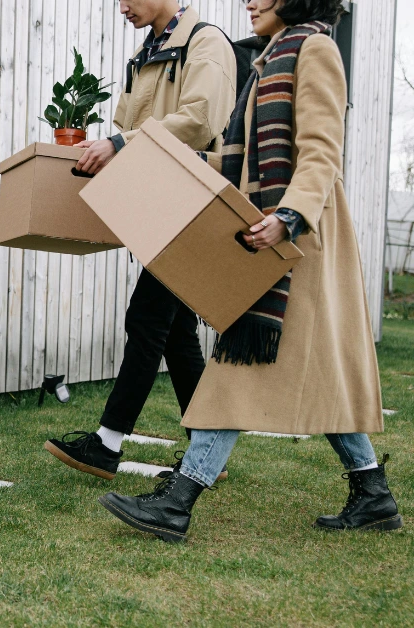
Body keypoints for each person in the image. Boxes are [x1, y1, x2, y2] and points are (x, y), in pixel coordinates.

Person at [98, 0, 402, 543]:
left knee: (240, 358)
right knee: (318, 367)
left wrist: (289, 216)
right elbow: (238, 161)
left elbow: (320, 153)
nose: (249, 1)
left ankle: (180, 498)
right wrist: (166, 170)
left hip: (296, 242)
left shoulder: (316, 49)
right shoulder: (269, 58)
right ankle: (373, 491)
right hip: (273, 233)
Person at [45, 0, 238, 480]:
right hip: (160, 202)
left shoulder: (205, 42)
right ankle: (207, 454)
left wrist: (122, 143)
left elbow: (199, 121)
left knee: (148, 318)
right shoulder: (148, 52)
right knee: (174, 333)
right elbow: (125, 126)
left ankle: (107, 444)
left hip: (196, 200)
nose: (121, 7)